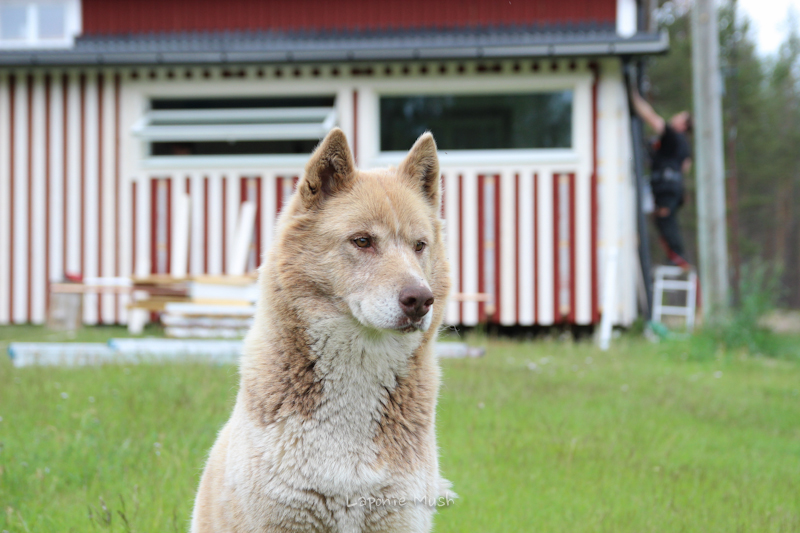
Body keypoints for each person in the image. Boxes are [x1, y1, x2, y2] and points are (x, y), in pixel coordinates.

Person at [631, 87, 693, 269]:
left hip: (666, 187)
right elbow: (686, 165)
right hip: (671, 187)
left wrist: (634, 97)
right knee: (662, 219)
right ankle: (675, 256)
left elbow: (652, 118)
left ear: (683, 125)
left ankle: (678, 257)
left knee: (665, 219)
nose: (675, 117)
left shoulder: (673, 136)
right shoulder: (682, 144)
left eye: (679, 116)